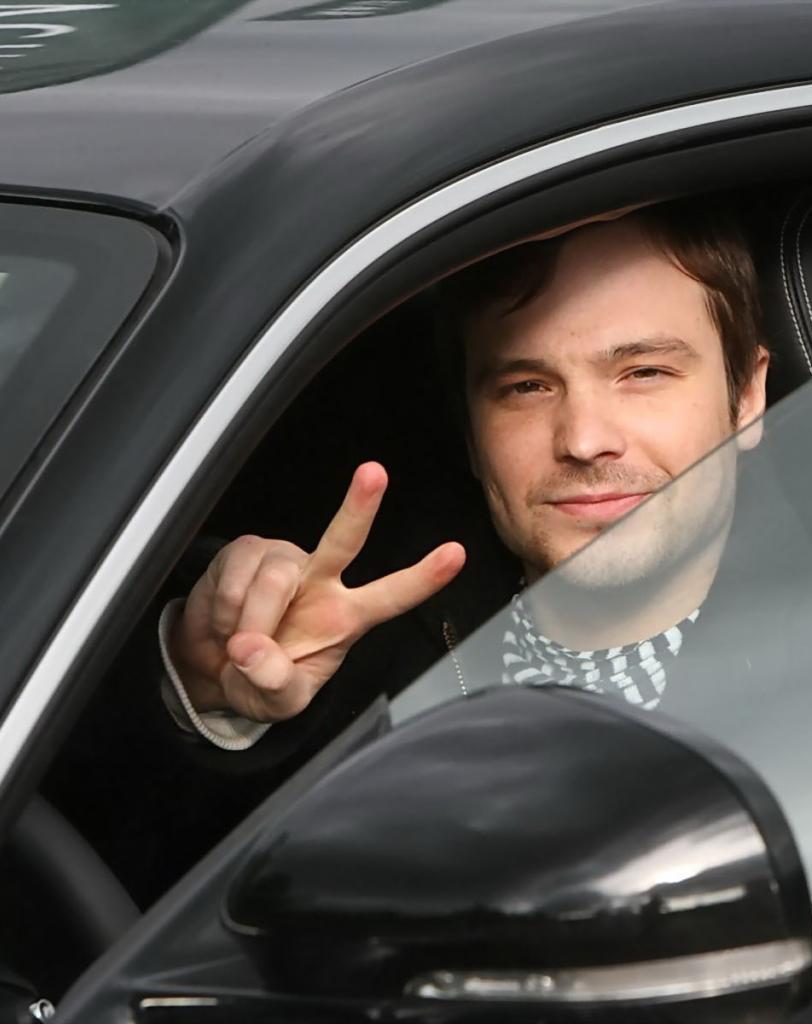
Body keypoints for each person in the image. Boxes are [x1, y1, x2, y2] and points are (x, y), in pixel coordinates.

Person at [159, 196, 769, 745]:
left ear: (746, 396)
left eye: (644, 373)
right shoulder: (363, 639)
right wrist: (209, 695)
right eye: (527, 386)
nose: (584, 440)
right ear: (472, 435)